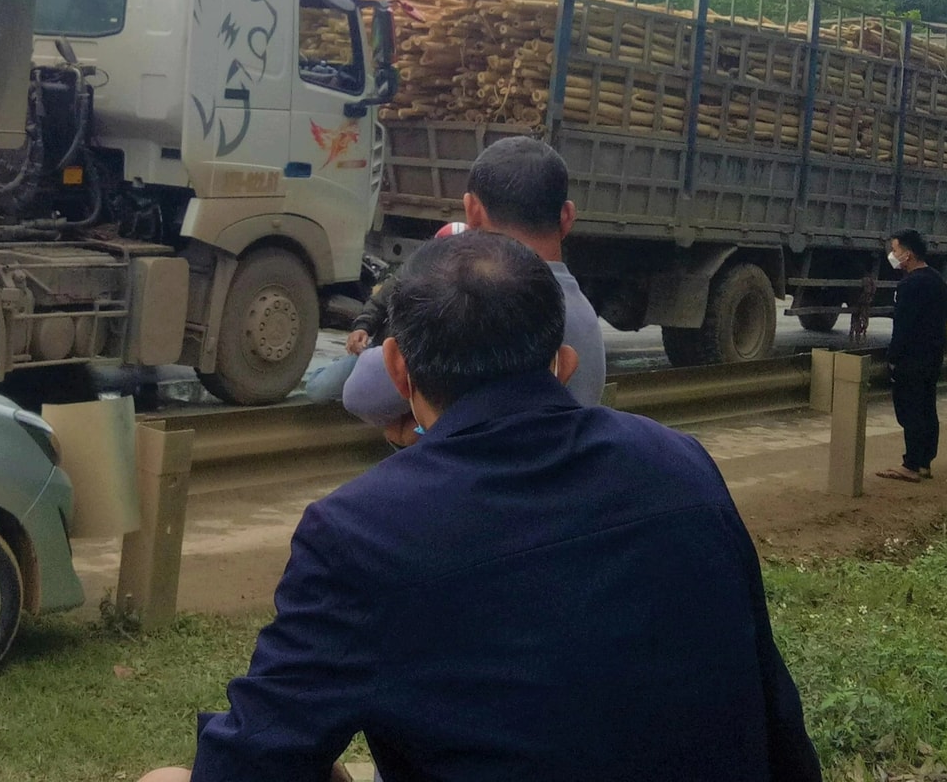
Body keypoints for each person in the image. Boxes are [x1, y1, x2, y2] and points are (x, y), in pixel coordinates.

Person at [141, 233, 820, 782]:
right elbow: (775, 713)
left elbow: (253, 761)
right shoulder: (682, 465)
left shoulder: (359, 532)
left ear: (400, 372)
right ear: (561, 363)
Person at [342, 136, 606, 427]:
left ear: (473, 213)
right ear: (567, 216)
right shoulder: (586, 318)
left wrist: (420, 429)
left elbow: (361, 393)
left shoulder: (478, 306)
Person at [876, 228, 947, 483]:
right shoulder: (937, 280)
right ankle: (924, 463)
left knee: (909, 411)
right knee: (927, 407)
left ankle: (911, 464)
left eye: (895, 250)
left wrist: (893, 357)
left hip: (912, 359)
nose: (892, 255)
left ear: (907, 255)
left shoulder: (910, 285)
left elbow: (903, 327)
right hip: (933, 356)